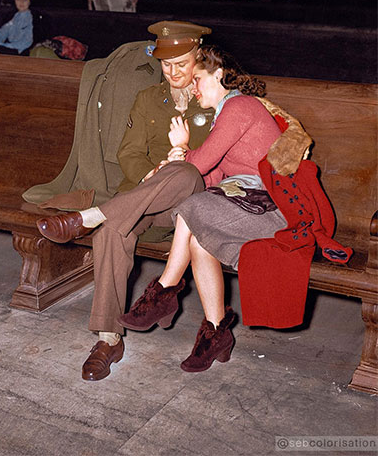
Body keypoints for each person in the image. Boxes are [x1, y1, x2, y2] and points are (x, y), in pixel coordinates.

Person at [36, 21, 215, 381]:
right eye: (167, 64)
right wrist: (152, 173)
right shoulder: (148, 98)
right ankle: (108, 338)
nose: (174, 72)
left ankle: (89, 216)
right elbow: (128, 152)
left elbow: (219, 162)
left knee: (184, 174)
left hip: (191, 208)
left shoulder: (213, 98)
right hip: (145, 198)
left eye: (182, 63)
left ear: (199, 58)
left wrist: (178, 159)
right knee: (112, 231)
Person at [117, 45, 286, 372]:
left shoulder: (239, 106)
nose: (193, 89)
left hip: (271, 206)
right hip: (246, 202)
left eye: (198, 80)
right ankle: (216, 332)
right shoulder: (225, 113)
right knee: (198, 238)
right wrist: (177, 166)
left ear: (220, 75)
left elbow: (204, 161)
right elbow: (213, 175)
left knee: (194, 207)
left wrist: (181, 149)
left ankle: (164, 290)